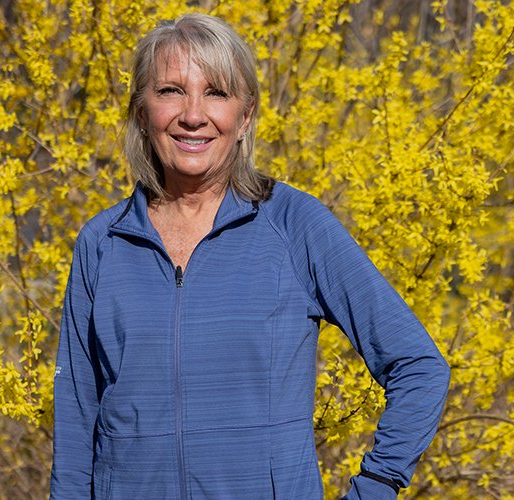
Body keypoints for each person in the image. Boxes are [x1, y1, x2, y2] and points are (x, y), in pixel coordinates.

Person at [50, 13, 450, 500]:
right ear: (140, 112)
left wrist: (378, 484)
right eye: (171, 91)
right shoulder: (103, 242)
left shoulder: (294, 225)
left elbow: (418, 365)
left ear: (245, 118)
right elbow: (76, 416)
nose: (193, 115)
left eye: (216, 93)